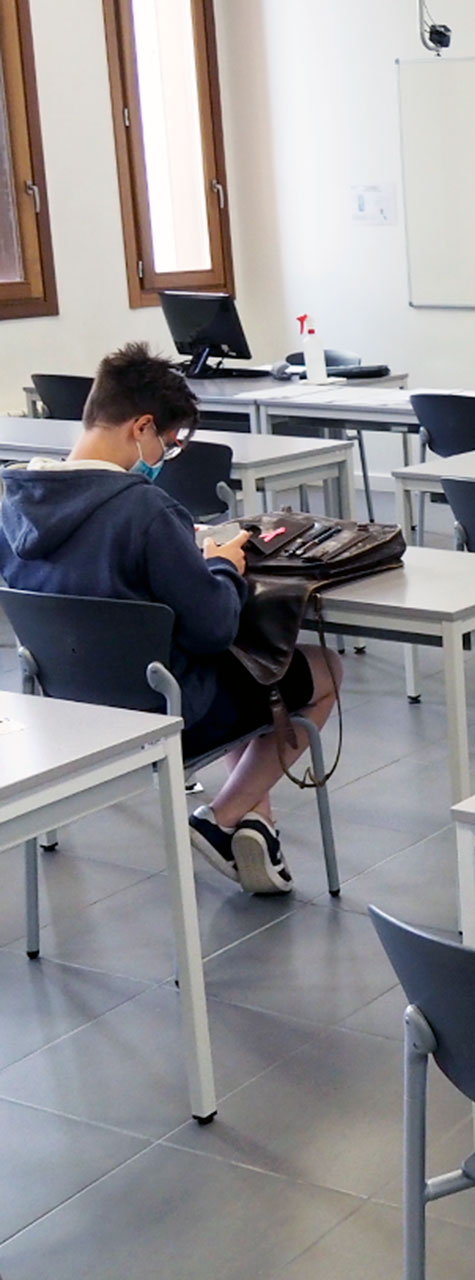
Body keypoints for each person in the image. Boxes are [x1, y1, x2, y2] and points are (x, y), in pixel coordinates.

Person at [0, 343, 341, 895]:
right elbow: (212, 628)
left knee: (245, 673)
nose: (164, 454)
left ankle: (261, 826)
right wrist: (220, 567)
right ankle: (222, 817)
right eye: (169, 442)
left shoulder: (14, 505)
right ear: (141, 427)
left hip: (69, 712)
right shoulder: (144, 510)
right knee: (318, 670)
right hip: (161, 711)